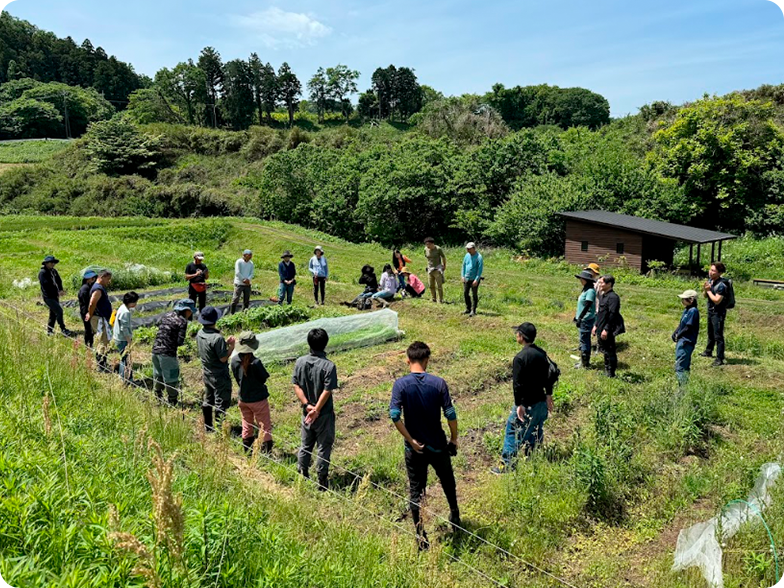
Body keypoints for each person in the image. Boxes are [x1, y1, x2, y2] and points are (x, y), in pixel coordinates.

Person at [389, 341, 460, 550]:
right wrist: (454, 439)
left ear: (408, 360)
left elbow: (394, 415)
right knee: (447, 480)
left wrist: (410, 439)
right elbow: (450, 414)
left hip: (415, 449)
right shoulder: (438, 383)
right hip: (438, 445)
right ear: (427, 360)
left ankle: (421, 536)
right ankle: (455, 515)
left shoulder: (400, 385)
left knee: (416, 490)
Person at [492, 323, 554, 474]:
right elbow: (550, 375)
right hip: (540, 401)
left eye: (517, 333)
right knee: (536, 429)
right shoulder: (541, 353)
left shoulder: (520, 358)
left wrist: (519, 404)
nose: (516, 335)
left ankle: (507, 465)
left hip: (528, 403)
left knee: (513, 430)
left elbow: (518, 385)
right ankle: (533, 458)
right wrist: (548, 395)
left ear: (521, 336)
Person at [293, 328, 338, 491]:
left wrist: (307, 405)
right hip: (323, 414)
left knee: (305, 444)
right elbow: (327, 390)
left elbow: (296, 385)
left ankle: (302, 472)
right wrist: (317, 409)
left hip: (307, 413)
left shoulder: (300, 362)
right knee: (323, 446)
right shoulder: (329, 366)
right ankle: (322, 480)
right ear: (325, 344)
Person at [231, 331, 274, 454]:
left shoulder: (234, 361)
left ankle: (247, 452)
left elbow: (237, 378)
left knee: (246, 424)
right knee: (264, 426)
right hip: (258, 400)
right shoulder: (256, 363)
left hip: (243, 399)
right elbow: (263, 378)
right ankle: (266, 453)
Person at [196, 306, 236, 432]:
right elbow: (223, 358)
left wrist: (224, 343)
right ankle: (219, 429)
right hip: (219, 374)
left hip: (207, 371)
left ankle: (208, 427)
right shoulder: (217, 338)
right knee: (221, 402)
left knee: (208, 398)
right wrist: (231, 347)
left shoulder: (200, 333)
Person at [151, 299, 195, 406]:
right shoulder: (182, 321)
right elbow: (179, 342)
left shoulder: (167, 315)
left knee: (158, 374)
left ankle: (158, 397)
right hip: (167, 353)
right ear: (187, 310)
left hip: (155, 350)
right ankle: (172, 401)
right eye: (191, 311)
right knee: (171, 376)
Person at [700, 262, 728, 367]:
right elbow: (705, 296)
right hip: (711, 311)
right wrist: (706, 289)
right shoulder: (711, 281)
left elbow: (717, 300)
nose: (710, 272)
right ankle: (708, 351)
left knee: (718, 335)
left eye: (713, 271)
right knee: (710, 332)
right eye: (710, 269)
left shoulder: (722, 285)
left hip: (718, 313)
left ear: (720, 273)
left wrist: (708, 291)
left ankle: (720, 358)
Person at [593, 275, 621, 378]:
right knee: (604, 350)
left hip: (607, 329)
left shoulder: (613, 298)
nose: (599, 285)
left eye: (601, 283)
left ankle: (611, 373)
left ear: (609, 284)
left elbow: (612, 315)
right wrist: (595, 325)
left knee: (610, 350)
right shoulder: (603, 296)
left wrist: (606, 329)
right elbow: (600, 313)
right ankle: (606, 370)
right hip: (600, 327)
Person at [85, 271, 114, 372]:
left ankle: (103, 362)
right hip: (99, 318)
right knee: (102, 341)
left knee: (103, 340)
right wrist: (91, 313)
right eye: (108, 279)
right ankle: (101, 365)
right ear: (102, 277)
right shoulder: (98, 289)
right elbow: (92, 303)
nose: (108, 281)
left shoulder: (97, 287)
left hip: (99, 317)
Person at [38, 255, 72, 337]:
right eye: (51, 263)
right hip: (48, 297)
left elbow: (58, 280)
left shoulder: (53, 271)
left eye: (54, 263)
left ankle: (50, 330)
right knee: (59, 311)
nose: (53, 264)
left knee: (53, 313)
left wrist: (60, 289)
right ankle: (63, 329)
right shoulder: (43, 273)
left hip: (55, 296)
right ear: (46, 263)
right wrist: (57, 291)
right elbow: (46, 285)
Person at [673, 289, 700, 384]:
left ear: (691, 300)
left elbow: (688, 326)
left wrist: (679, 335)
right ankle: (685, 384)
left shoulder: (693, 311)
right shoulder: (687, 310)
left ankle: (683, 387)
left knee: (680, 365)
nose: (682, 301)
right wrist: (675, 332)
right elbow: (682, 324)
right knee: (684, 364)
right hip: (682, 340)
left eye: (684, 299)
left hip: (686, 341)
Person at [113, 291, 140, 384]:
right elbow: (124, 329)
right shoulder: (125, 313)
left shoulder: (122, 307)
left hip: (118, 337)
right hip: (123, 339)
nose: (136, 304)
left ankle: (123, 377)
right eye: (135, 302)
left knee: (124, 358)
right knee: (126, 360)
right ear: (131, 302)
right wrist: (129, 341)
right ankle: (127, 379)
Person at [573, 270, 597, 369]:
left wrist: (581, 318)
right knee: (583, 339)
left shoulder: (590, 291)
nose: (580, 280)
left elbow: (587, 306)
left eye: (581, 279)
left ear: (586, 280)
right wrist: (576, 316)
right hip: (583, 318)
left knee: (585, 340)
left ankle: (585, 364)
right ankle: (584, 362)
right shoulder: (585, 289)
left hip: (586, 319)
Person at [461, 242, 484, 316]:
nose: (468, 250)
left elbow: (479, 270)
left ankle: (473, 310)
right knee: (465, 293)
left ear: (474, 248)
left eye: (469, 249)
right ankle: (468, 308)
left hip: (474, 279)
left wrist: (476, 279)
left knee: (474, 294)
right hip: (466, 278)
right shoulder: (466, 255)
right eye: (467, 249)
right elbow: (463, 266)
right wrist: (463, 276)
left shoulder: (479, 257)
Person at [78, 270, 98, 347]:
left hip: (88, 311)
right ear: (88, 279)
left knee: (91, 328)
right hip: (86, 311)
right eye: (92, 278)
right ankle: (88, 344)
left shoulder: (89, 287)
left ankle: (90, 344)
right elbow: (86, 302)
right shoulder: (85, 289)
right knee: (88, 328)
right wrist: (88, 312)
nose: (94, 280)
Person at [230, 249, 254, 314]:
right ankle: (232, 313)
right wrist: (243, 279)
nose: (250, 257)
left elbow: (252, 273)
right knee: (235, 299)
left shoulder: (251, 263)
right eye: (249, 255)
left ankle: (244, 312)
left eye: (251, 256)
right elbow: (237, 272)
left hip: (247, 284)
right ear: (244, 255)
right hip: (239, 283)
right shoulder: (239, 262)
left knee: (246, 300)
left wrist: (248, 279)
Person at [424, 237, 447, 303]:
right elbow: (427, 258)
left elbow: (443, 257)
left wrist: (444, 265)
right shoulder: (425, 249)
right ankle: (433, 298)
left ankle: (440, 299)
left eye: (428, 244)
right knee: (431, 285)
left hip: (437, 268)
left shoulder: (438, 249)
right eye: (426, 244)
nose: (427, 246)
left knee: (439, 285)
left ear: (432, 243)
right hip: (430, 269)